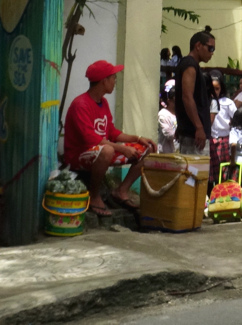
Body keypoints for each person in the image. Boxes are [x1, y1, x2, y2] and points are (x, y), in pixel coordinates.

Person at [63, 61, 156, 217]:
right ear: (104, 81)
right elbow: (90, 139)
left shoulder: (103, 102)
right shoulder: (80, 104)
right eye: (113, 78)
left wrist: (138, 138)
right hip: (79, 156)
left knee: (149, 149)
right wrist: (122, 148)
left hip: (103, 151)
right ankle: (94, 196)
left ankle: (121, 191)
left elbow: (112, 132)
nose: (115, 81)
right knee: (107, 150)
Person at [175, 32, 215, 155]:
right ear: (198, 46)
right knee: (195, 167)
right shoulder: (190, 64)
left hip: (190, 132)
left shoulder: (189, 64)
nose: (212, 53)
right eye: (210, 48)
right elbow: (187, 97)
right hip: (193, 136)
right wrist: (199, 127)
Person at [209, 71, 236, 191]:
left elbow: (236, 119)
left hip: (223, 139)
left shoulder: (228, 103)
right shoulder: (206, 101)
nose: (214, 92)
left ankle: (222, 192)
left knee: (223, 168)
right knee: (210, 169)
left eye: (217, 89)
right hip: (210, 139)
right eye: (212, 88)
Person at [158, 87, 178, 154]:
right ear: (169, 101)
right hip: (166, 152)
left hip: (178, 152)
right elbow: (168, 133)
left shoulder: (180, 114)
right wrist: (182, 134)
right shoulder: (163, 114)